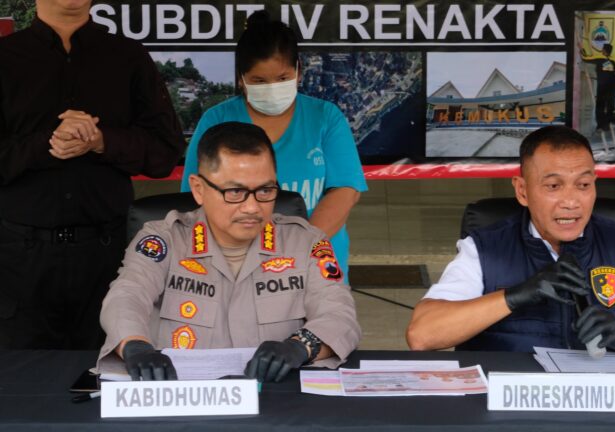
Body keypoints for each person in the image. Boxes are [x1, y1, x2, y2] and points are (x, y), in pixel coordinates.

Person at [407, 126, 615, 357]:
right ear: (522, 191)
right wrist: (517, 295)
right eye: (553, 186)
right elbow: (423, 334)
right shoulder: (485, 248)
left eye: (584, 185)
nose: (571, 202)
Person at [98, 122, 360, 382]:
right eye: (235, 192)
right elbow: (127, 295)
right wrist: (135, 346)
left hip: (276, 401)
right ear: (199, 189)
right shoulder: (164, 240)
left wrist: (299, 346)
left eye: (265, 190)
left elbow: (339, 313)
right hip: (182, 401)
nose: (252, 207)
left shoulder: (306, 243)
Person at [0, 0, 184, 349]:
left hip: (109, 257)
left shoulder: (128, 57)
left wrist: (102, 141)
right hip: (17, 264)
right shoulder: (6, 57)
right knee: (18, 387)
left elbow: (165, 152)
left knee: (109, 377)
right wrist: (46, 143)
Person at [181, 11, 366, 280]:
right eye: (259, 81)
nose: (272, 88)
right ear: (240, 79)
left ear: (299, 71)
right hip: (234, 269)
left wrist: (298, 250)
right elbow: (194, 198)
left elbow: (346, 191)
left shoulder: (325, 117)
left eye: (282, 78)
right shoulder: (216, 120)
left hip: (315, 264)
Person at [581, 43, 615, 132]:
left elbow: (585, 59)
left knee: (600, 106)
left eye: (603, 49)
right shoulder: (614, 62)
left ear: (604, 51)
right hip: (612, 85)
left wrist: (581, 49)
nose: (602, 50)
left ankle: (600, 126)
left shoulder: (600, 60)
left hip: (603, 85)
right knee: (610, 106)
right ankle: (606, 125)